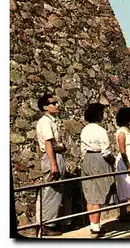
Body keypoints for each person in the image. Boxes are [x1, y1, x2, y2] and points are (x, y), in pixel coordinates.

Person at [80, 103, 117, 237]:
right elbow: (106, 151)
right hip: (98, 158)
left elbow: (83, 149)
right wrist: (112, 161)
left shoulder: (84, 130)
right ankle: (96, 227)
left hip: (87, 159)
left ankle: (94, 224)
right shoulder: (100, 131)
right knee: (98, 192)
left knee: (90, 193)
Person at [35, 93, 69, 236]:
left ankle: (51, 222)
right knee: (51, 190)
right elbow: (48, 142)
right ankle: (45, 224)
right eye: (53, 103)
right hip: (52, 156)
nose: (56, 105)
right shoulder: (45, 121)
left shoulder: (53, 120)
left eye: (56, 103)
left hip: (56, 155)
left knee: (56, 191)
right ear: (45, 107)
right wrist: (53, 164)